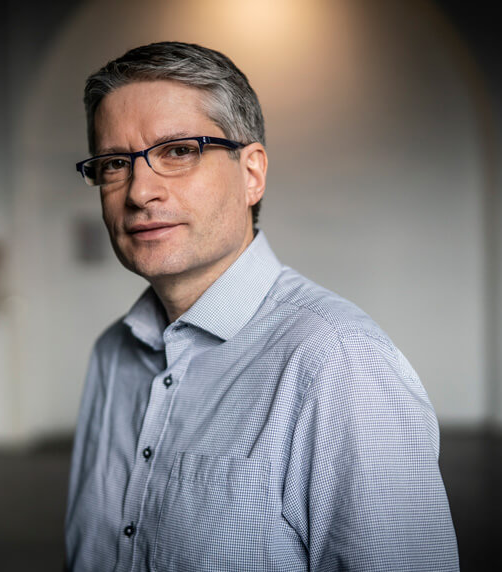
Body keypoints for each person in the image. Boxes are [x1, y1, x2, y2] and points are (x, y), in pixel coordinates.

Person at [64, 41, 459, 571]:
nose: (139, 192)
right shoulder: (111, 355)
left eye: (178, 152)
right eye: (115, 163)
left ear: (251, 174)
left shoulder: (339, 362)